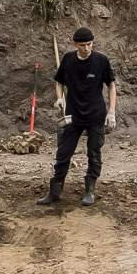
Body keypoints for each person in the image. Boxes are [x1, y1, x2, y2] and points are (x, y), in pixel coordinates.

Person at [39, 27, 116, 207]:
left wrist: (111, 111)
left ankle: (90, 190)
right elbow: (59, 81)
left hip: (96, 114)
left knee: (94, 153)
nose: (87, 48)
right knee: (63, 153)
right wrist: (59, 98)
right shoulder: (68, 60)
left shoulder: (101, 61)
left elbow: (111, 86)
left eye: (89, 44)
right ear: (76, 44)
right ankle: (55, 191)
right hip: (72, 114)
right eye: (82, 45)